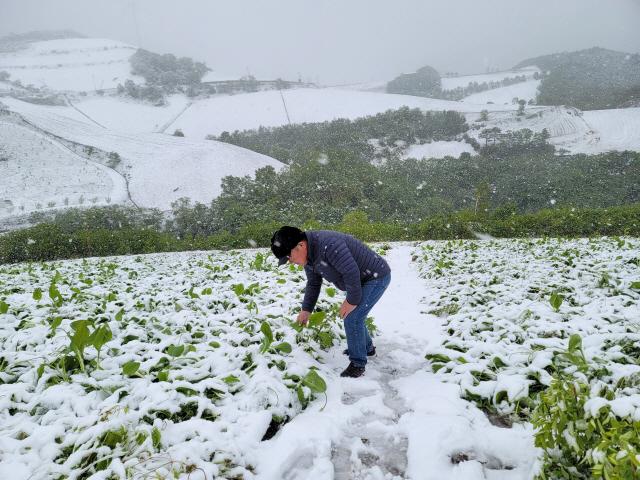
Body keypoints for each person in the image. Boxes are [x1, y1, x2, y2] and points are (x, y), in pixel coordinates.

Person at [270, 226, 391, 378]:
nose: (291, 262)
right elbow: (313, 283)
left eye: (289, 257)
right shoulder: (309, 257)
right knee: (355, 316)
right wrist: (306, 309)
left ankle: (358, 364)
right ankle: (366, 349)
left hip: (375, 277)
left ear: (301, 245)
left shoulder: (329, 244)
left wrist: (351, 300)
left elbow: (351, 271)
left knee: (352, 317)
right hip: (360, 279)